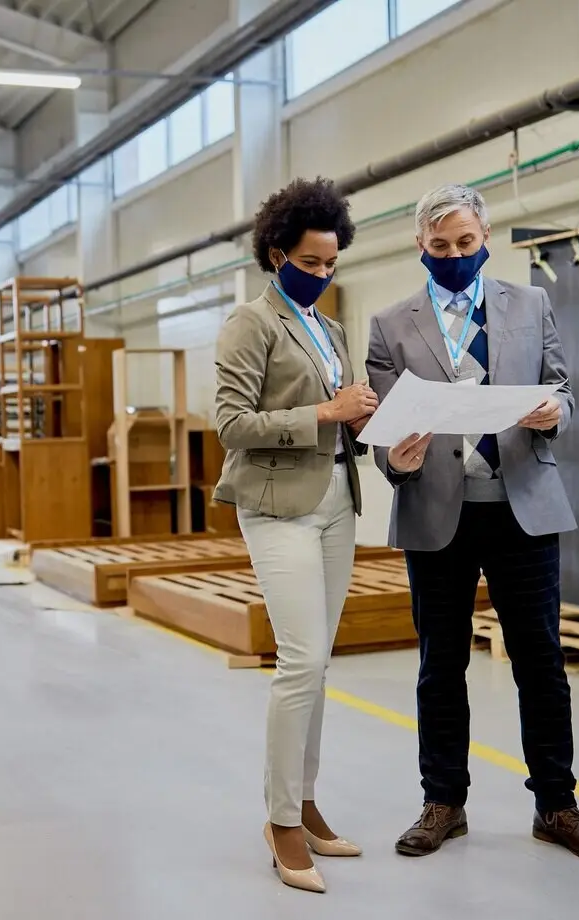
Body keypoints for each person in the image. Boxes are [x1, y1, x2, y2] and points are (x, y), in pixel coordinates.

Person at [365, 183, 579, 863]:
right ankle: (443, 802)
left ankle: (557, 806)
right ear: (420, 246)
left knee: (541, 662)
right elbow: (379, 431)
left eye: (466, 243)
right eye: (440, 246)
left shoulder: (532, 304)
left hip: (523, 510)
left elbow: (563, 389)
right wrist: (396, 457)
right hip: (436, 515)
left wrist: (554, 413)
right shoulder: (390, 325)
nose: (454, 255)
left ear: (486, 237)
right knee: (439, 664)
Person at [212, 176, 379, 894]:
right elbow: (231, 424)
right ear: (277, 253)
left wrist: (370, 423)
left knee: (320, 666)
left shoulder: (331, 328)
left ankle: (305, 801)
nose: (322, 274)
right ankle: (280, 819)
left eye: (332, 263)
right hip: (278, 504)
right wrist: (323, 412)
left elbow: (343, 413)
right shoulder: (249, 324)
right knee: (299, 662)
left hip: (338, 499)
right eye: (311, 262)